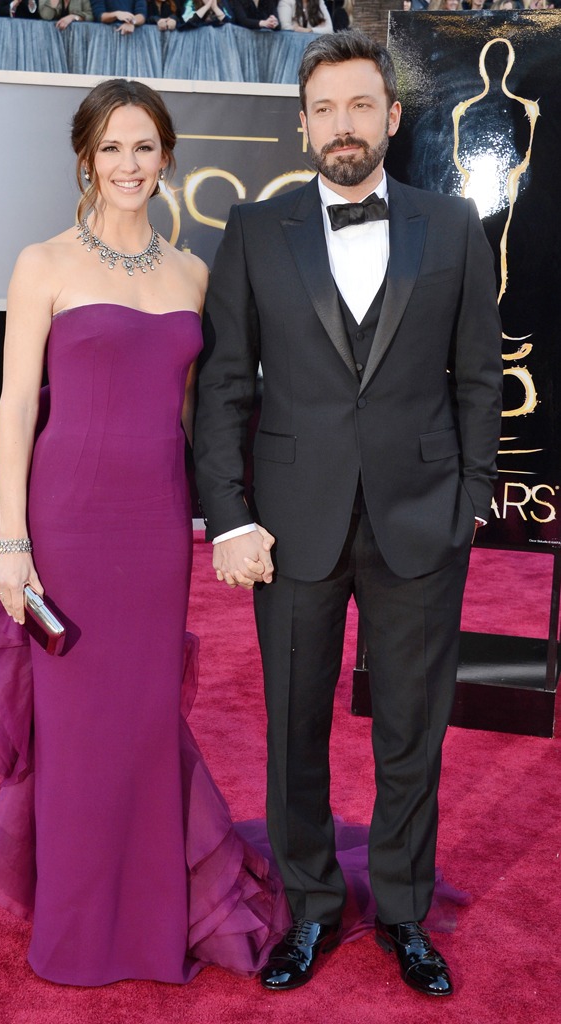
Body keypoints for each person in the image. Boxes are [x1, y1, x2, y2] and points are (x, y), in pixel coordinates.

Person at [0, 78, 295, 986]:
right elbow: (18, 406)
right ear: (86, 160)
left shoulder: (191, 274)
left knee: (141, 724)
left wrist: (229, 516)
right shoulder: (44, 263)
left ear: (167, 155)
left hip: (152, 527)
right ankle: (76, 928)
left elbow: (199, 415)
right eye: (111, 148)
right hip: (64, 523)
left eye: (144, 147)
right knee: (73, 731)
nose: (128, 165)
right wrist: (12, 542)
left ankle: (149, 921)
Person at [194, 29, 503, 997]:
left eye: (360, 106)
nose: (342, 125)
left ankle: (405, 911)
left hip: (421, 518)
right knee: (293, 726)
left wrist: (468, 497)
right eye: (324, 108)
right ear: (301, 125)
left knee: (411, 729)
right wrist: (231, 515)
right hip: (290, 523)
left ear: (391, 118)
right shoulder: (253, 228)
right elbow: (223, 393)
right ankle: (311, 906)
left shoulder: (451, 226)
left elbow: (479, 378)